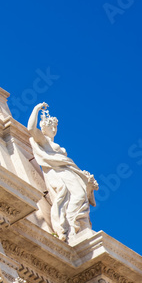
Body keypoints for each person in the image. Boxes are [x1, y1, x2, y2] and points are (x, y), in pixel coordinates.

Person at [28, 103, 98, 243]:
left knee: (81, 194)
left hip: (68, 170)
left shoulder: (53, 143)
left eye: (55, 126)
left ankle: (76, 226)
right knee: (75, 195)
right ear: (43, 126)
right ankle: (71, 227)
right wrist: (37, 108)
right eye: (50, 125)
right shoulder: (43, 140)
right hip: (58, 172)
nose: (53, 128)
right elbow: (30, 128)